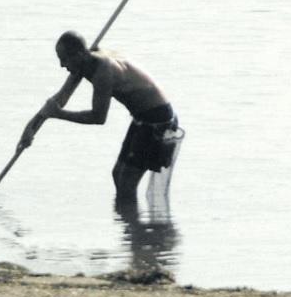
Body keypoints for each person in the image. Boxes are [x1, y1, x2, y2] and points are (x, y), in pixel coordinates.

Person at [19, 30, 180, 201]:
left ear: (80, 54)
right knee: (117, 175)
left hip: (158, 119)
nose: (61, 65)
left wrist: (59, 114)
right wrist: (32, 127)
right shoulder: (83, 63)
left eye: (64, 59)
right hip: (141, 117)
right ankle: (128, 223)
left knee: (126, 182)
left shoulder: (103, 72)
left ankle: (133, 225)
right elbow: (60, 98)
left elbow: (98, 117)